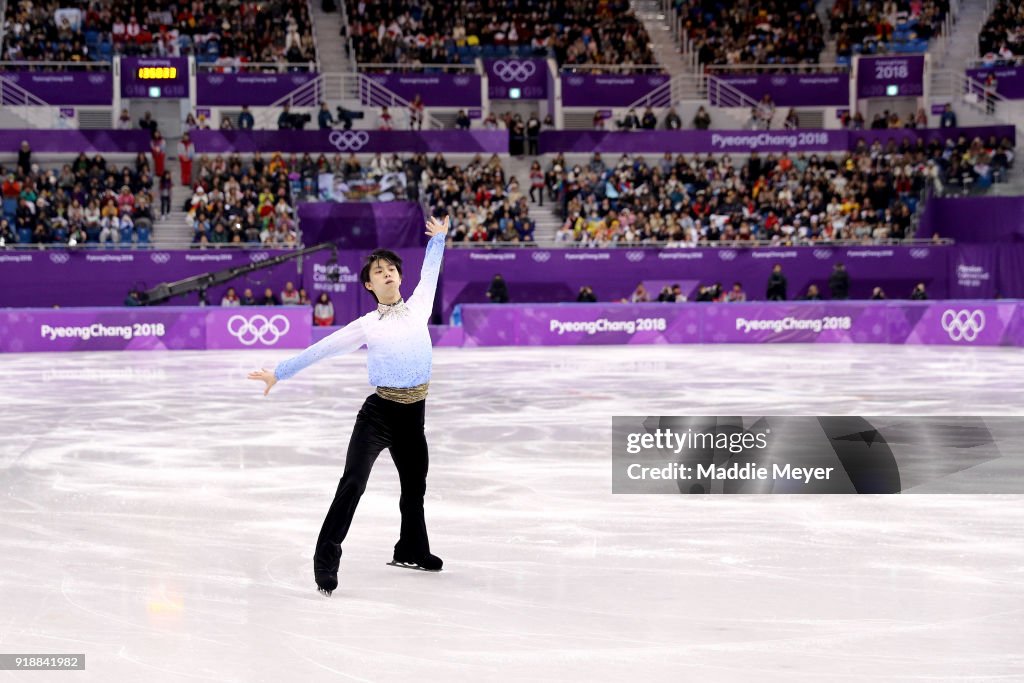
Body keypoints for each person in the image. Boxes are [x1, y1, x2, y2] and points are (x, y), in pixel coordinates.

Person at [248, 215, 450, 596]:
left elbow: (432, 269)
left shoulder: (420, 305)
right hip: (378, 416)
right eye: (379, 271)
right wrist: (280, 372)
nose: (387, 273)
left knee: (414, 488)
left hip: (413, 417)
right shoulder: (366, 325)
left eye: (391, 268)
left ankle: (411, 549)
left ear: (399, 278)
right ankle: (325, 558)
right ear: (369, 285)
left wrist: (438, 238)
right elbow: (322, 349)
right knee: (353, 484)